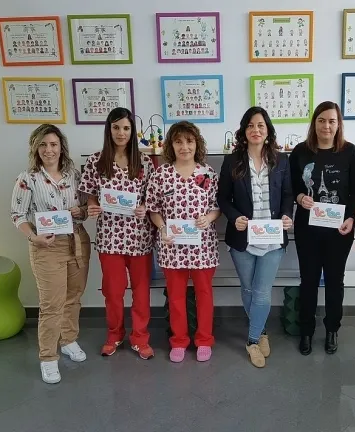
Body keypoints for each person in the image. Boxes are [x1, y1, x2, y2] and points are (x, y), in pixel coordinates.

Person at [10, 124, 91, 384]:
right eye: (43, 145)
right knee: (51, 304)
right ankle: (48, 357)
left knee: (73, 297)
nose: (49, 150)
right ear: (36, 148)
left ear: (61, 147)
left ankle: (68, 340)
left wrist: (82, 211)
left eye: (53, 144)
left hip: (77, 241)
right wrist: (33, 237)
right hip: (46, 246)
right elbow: (18, 215)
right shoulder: (28, 178)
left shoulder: (74, 175)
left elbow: (86, 208)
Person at [217, 106, 293, 368]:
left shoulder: (281, 161)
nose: (256, 130)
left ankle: (251, 341)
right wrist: (234, 216)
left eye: (260, 125)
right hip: (243, 239)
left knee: (261, 292)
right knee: (248, 289)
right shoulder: (232, 161)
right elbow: (222, 198)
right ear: (244, 131)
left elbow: (287, 195)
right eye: (250, 125)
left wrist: (286, 215)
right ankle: (261, 332)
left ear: (268, 130)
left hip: (272, 238)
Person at [78, 107, 156, 360]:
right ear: (108, 129)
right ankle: (114, 335)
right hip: (109, 237)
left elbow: (151, 197)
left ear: (132, 131)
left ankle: (140, 337)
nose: (121, 133)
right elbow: (89, 193)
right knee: (113, 292)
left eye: (126, 128)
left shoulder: (144, 162)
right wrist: (92, 205)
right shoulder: (96, 160)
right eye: (116, 127)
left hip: (139, 237)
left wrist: (144, 207)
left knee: (141, 292)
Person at [289, 101, 355, 356]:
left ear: (338, 124)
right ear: (314, 123)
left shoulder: (349, 152)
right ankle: (306, 331)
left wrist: (351, 218)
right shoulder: (300, 152)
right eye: (321, 120)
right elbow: (291, 186)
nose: (327, 126)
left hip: (339, 231)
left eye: (332, 121)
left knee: (334, 281)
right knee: (308, 281)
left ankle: (332, 329)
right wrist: (300, 197)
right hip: (307, 230)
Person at [146, 121, 220, 363]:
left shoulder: (207, 174)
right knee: (176, 297)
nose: (184, 146)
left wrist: (208, 218)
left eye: (189, 141)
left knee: (204, 295)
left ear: (197, 143)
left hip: (203, 247)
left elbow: (216, 207)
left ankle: (204, 339)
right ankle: (178, 340)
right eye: (178, 141)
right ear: (171, 145)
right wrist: (162, 227)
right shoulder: (161, 174)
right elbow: (154, 209)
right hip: (172, 246)